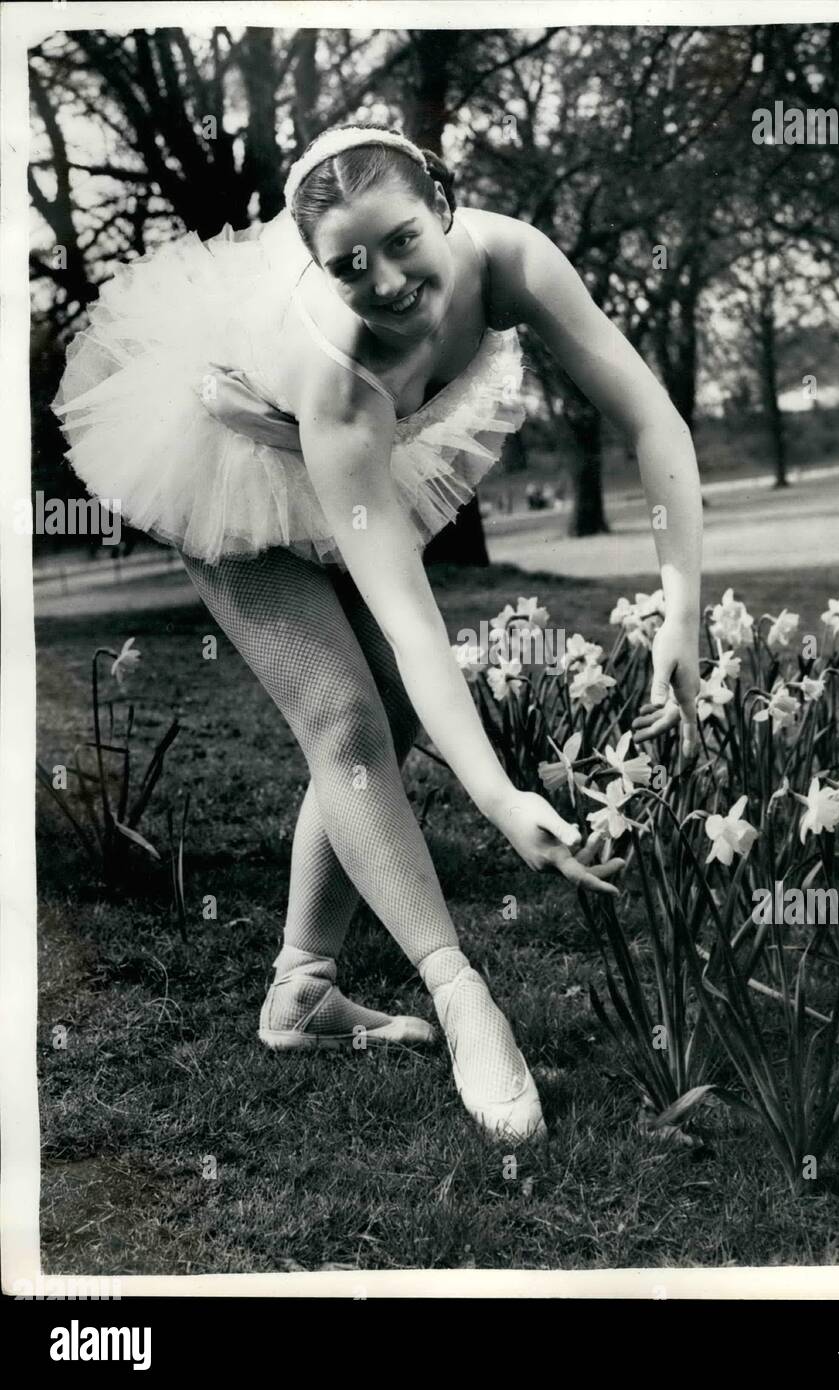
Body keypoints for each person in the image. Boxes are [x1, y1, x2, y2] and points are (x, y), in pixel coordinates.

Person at [52, 123, 702, 1143]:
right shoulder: (340, 373)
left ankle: (302, 993)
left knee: (390, 719)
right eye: (348, 265)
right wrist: (499, 797)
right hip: (229, 455)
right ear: (314, 265)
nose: (390, 281)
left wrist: (681, 607)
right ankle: (460, 996)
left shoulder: (517, 257)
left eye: (402, 239)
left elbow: (654, 422)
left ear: (442, 199)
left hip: (346, 455)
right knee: (348, 718)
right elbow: (411, 618)